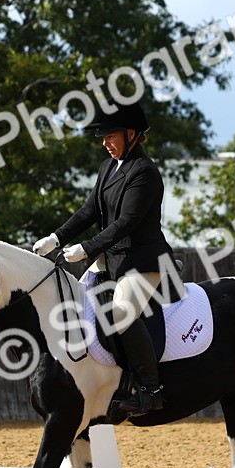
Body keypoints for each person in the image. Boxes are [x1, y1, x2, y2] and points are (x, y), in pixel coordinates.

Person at [33, 101, 174, 415]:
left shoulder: (145, 172)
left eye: (110, 136)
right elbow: (89, 211)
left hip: (141, 262)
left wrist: (86, 249)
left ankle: (151, 390)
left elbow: (126, 222)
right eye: (103, 137)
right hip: (110, 259)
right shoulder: (109, 167)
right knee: (72, 305)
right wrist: (56, 238)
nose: (105, 143)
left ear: (131, 133)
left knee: (121, 314)